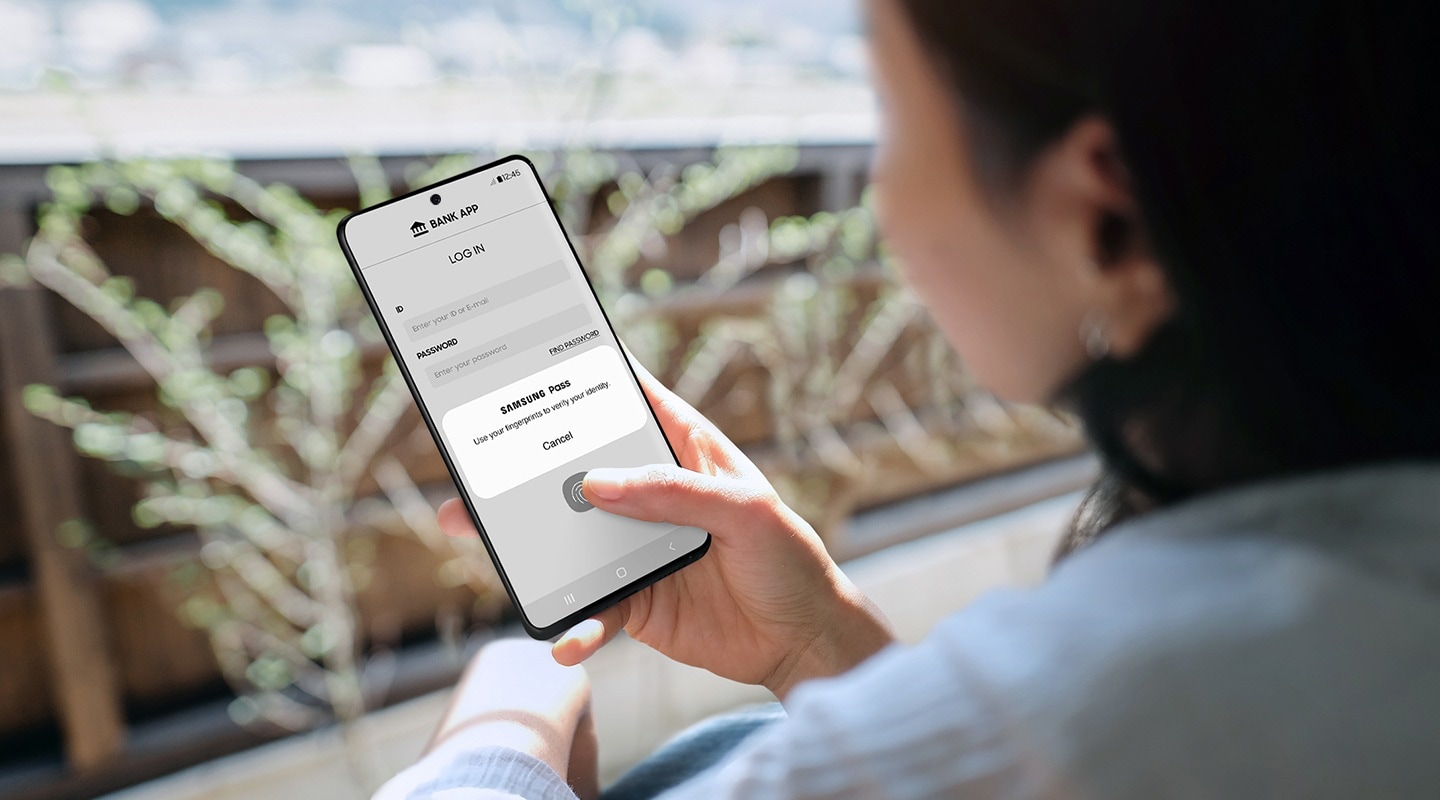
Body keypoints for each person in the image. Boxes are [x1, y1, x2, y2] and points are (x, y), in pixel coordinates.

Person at [377, 0, 1440, 796]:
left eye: (888, 108)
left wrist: (504, 720)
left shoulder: (1122, 695)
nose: (881, 195)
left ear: (1100, 211)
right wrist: (817, 640)